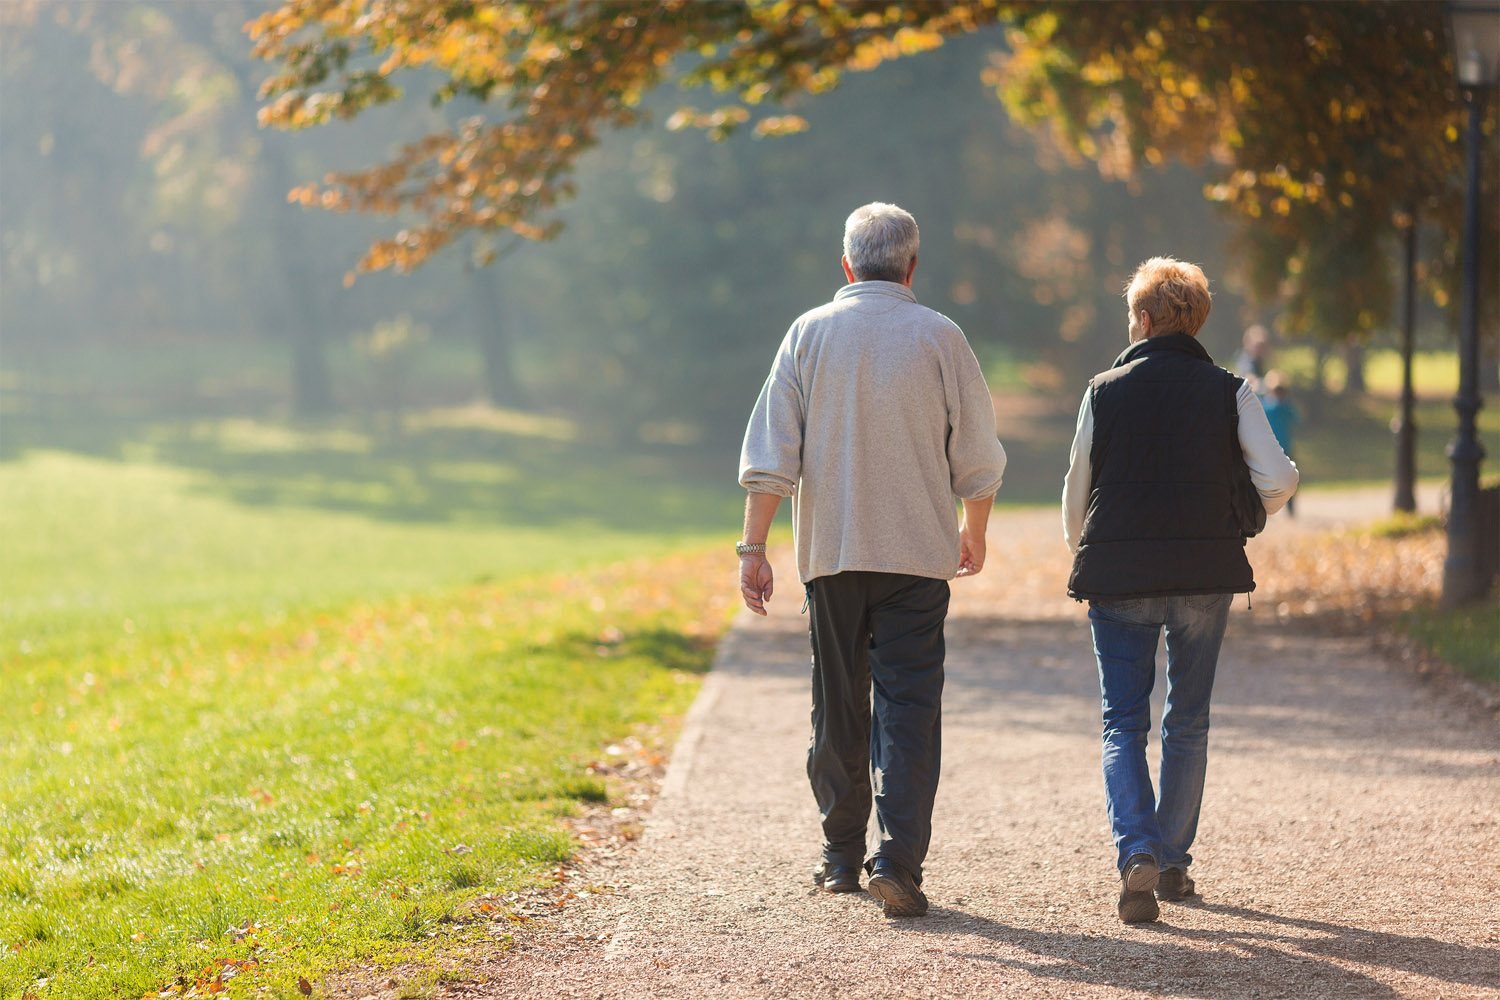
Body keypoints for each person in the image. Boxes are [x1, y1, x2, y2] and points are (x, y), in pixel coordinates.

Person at [737, 202, 1008, 918]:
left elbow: (772, 457)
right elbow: (978, 457)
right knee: (910, 711)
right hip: (918, 559)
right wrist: (972, 529)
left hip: (831, 557)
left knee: (837, 708)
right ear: (912, 266)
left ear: (847, 264)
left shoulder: (808, 334)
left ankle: (838, 856)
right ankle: (899, 861)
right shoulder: (941, 337)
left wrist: (754, 547)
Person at [1061, 257, 1298, 924]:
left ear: (1141, 319)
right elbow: (1277, 481)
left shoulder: (1103, 390)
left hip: (1119, 576)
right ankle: (1171, 863)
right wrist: (1248, 508)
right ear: (1196, 320)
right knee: (1188, 720)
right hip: (1204, 572)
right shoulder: (1230, 390)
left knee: (1121, 721)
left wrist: (1089, 552)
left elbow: (1075, 494)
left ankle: (1135, 848)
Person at [1259, 369, 1301, 516]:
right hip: (1281, 447)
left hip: (1273, 449)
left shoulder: (1264, 406)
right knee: (1288, 478)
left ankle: (1268, 510)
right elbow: (1297, 420)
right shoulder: (1283, 407)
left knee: (1267, 480)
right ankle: (1289, 510)